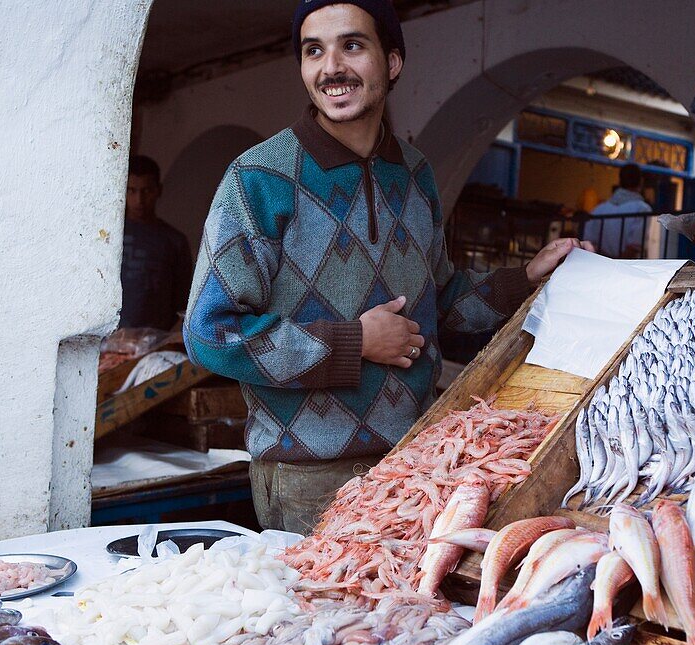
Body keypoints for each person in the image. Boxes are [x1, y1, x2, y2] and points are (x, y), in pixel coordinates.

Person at [184, 0, 591, 534]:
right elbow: (210, 333)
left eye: (352, 45)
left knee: (410, 620)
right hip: (308, 476)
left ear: (392, 62)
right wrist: (355, 343)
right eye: (314, 51)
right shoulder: (259, 177)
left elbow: (440, 304)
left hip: (418, 462)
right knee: (324, 617)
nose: (331, 67)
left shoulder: (415, 172)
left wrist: (525, 279)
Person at [120, 155, 193, 330]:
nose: (139, 200)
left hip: (154, 342)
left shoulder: (174, 241)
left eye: (147, 191)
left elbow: (183, 301)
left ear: (159, 190)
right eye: (131, 190)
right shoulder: (107, 235)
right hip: (107, 341)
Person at [583, 163, 653, 259]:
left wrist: (606, 261)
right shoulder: (642, 209)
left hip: (601, 265)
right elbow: (634, 247)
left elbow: (589, 243)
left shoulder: (598, 210)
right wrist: (617, 263)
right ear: (641, 182)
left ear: (620, 181)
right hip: (626, 268)